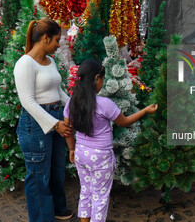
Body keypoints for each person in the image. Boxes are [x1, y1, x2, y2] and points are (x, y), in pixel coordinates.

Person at [63, 59, 158, 222]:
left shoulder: (72, 102)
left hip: (80, 153)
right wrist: (145, 110)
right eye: (103, 79)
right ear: (96, 79)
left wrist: (71, 149)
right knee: (100, 197)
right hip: (100, 157)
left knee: (86, 192)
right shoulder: (104, 104)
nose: (103, 83)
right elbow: (125, 122)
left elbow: (67, 129)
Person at [14, 18, 74, 221]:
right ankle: (42, 218)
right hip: (35, 124)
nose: (59, 44)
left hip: (56, 116)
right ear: (46, 38)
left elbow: (58, 91)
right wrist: (55, 124)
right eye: (57, 40)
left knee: (57, 168)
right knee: (38, 174)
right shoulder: (25, 63)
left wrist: (73, 107)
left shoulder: (51, 61)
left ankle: (57, 208)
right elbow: (28, 102)